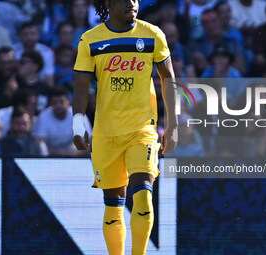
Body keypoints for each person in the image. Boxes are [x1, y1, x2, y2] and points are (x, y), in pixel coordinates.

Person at [72, 0, 177, 254]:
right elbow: (81, 85)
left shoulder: (152, 34)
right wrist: (77, 122)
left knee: (143, 195)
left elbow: (168, 79)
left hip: (143, 129)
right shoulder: (90, 40)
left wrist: (172, 125)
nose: (132, 3)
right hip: (106, 134)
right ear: (108, 3)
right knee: (113, 206)